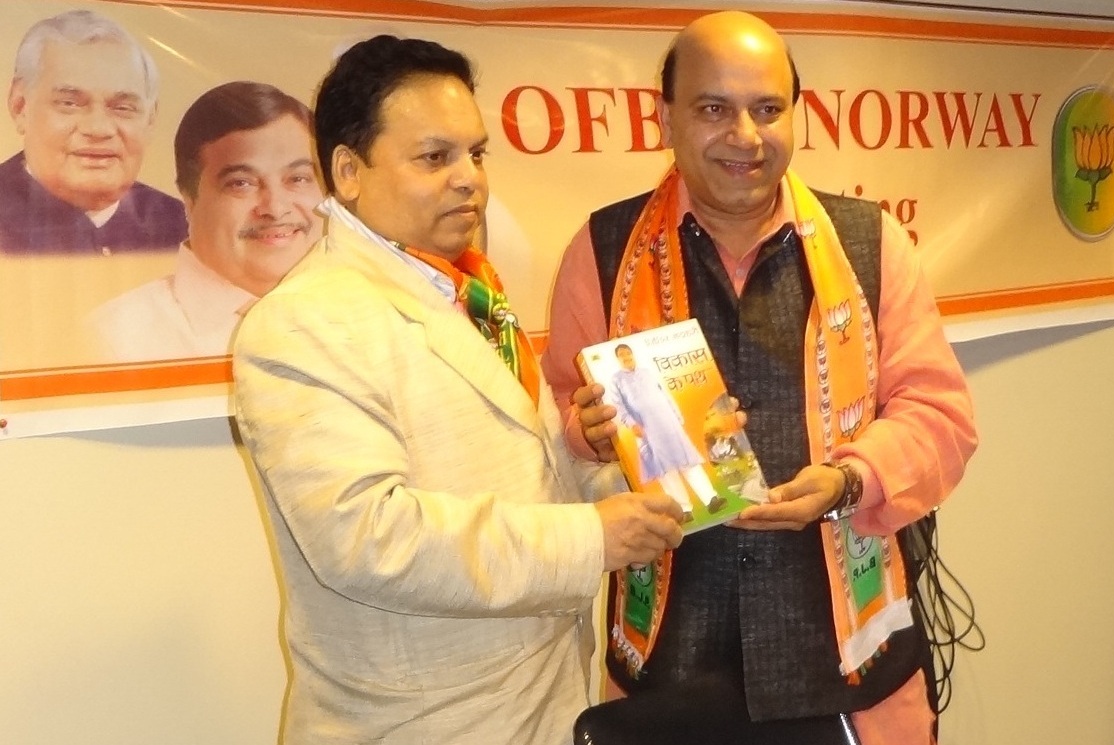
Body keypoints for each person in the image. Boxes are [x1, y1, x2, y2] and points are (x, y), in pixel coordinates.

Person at [231, 35, 684, 745]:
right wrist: (592, 535)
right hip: (421, 725)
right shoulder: (301, 322)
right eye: (434, 157)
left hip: (538, 703)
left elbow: (517, 480)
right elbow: (367, 538)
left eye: (476, 153)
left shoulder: (464, 288)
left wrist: (612, 477)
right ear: (347, 171)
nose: (470, 178)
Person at [543, 11, 978, 745]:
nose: (744, 136)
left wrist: (849, 480)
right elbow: (557, 405)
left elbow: (940, 415)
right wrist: (582, 431)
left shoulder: (871, 243)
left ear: (795, 116)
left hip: (845, 662)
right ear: (666, 117)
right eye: (714, 108)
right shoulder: (603, 248)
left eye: (767, 109)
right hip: (669, 662)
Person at [87, 81, 323, 361]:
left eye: (298, 179)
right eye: (241, 183)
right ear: (188, 197)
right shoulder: (111, 340)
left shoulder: (366, 316)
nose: (275, 207)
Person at [0, 9, 186, 255]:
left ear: (150, 119)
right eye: (70, 103)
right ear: (20, 106)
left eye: (122, 107)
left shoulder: (185, 229)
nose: (98, 129)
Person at [609, 343, 726, 520]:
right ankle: (683, 510)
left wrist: (677, 415)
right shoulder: (616, 380)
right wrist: (632, 424)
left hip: (669, 424)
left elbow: (664, 395)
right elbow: (619, 407)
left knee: (688, 462)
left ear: (633, 354)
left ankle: (711, 499)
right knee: (666, 471)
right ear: (618, 359)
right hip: (646, 430)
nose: (626, 357)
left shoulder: (647, 372)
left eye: (628, 353)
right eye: (622, 355)